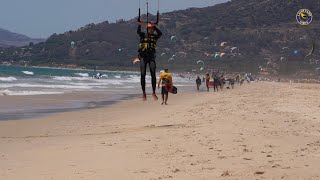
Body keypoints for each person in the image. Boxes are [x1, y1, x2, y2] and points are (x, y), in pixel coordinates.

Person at [137, 21, 162, 101]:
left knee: (153, 74)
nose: (151, 30)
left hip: (151, 57)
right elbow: (138, 31)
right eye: (150, 29)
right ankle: (144, 93)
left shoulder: (155, 37)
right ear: (147, 29)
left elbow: (160, 33)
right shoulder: (143, 35)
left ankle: (153, 92)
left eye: (152, 29)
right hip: (143, 57)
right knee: (143, 74)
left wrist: (154, 26)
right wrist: (140, 24)